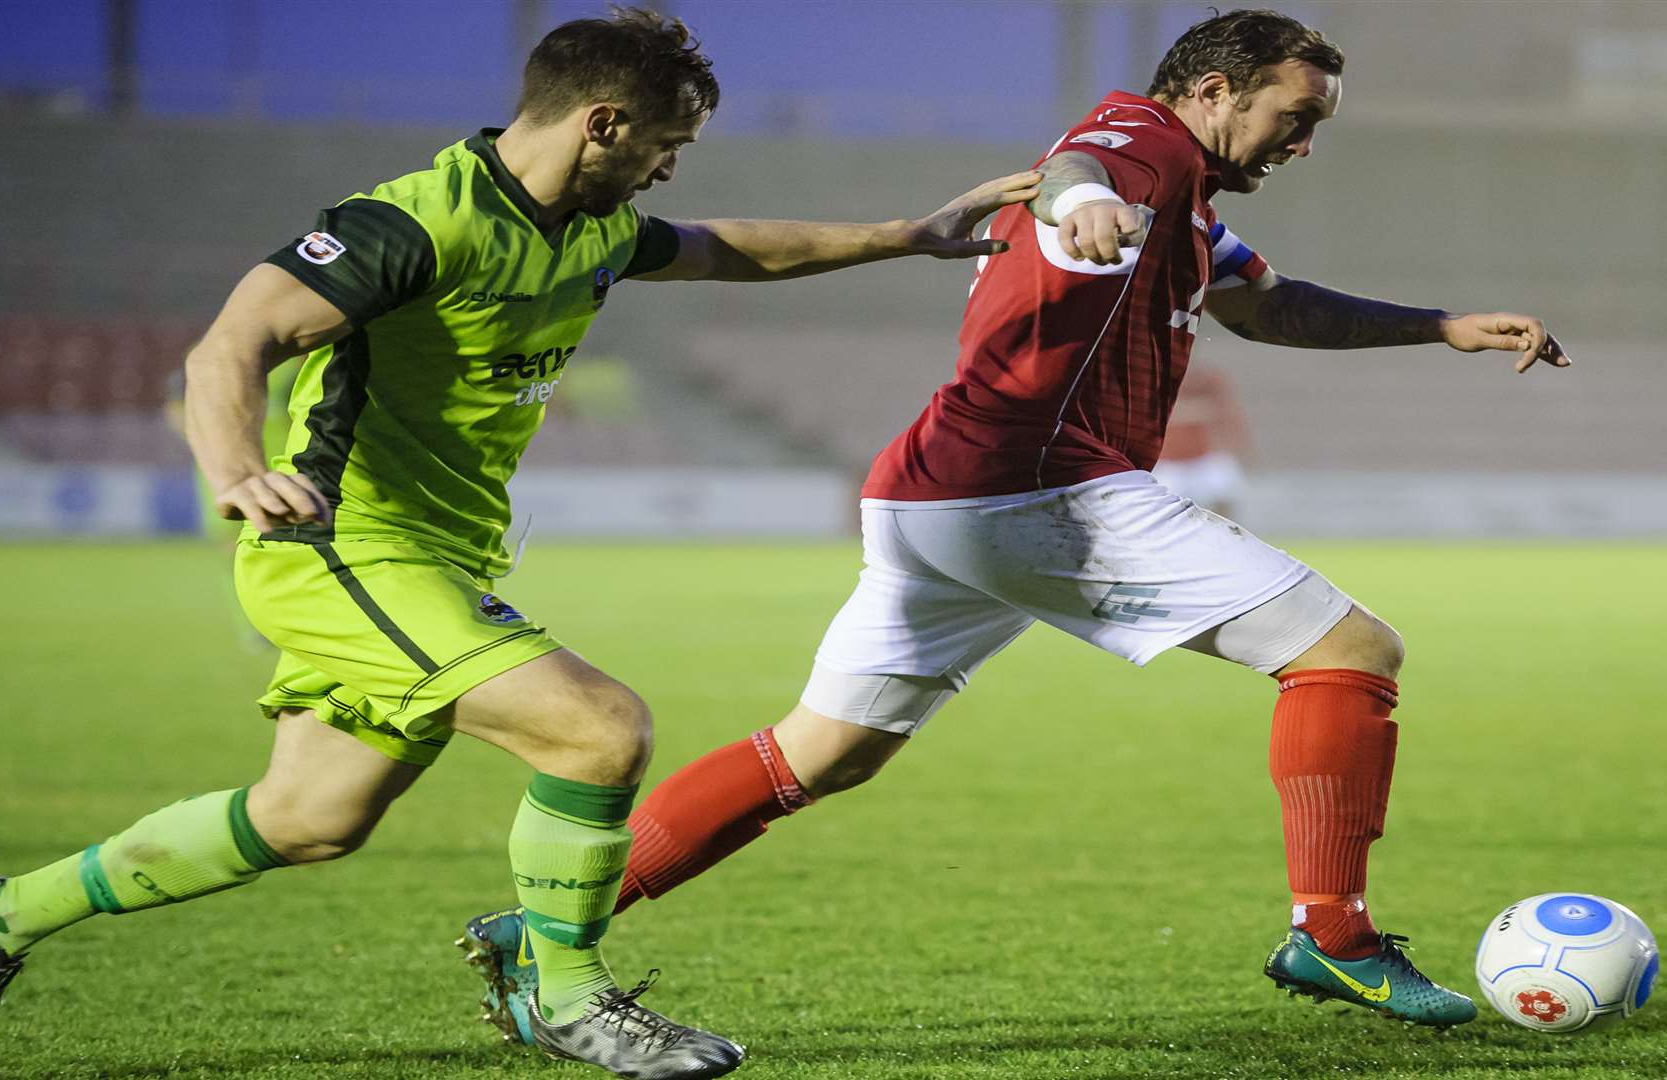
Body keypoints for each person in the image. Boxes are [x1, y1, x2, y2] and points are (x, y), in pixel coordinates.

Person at [0, 10, 1039, 1077]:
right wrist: (232, 468)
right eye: (666, 141)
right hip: (343, 543)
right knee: (598, 731)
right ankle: (564, 995)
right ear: (602, 121)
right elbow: (234, 342)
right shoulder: (412, 221)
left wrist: (908, 235)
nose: (669, 166)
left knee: (308, 819)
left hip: (437, 559)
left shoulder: (590, 226)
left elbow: (724, 249)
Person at [457, 8, 1573, 1044]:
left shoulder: (1189, 207)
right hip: (1032, 486)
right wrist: (1076, 199)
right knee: (1350, 649)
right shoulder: (1143, 144)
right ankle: (1332, 936)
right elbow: (1080, 164)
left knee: (823, 750)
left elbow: (1271, 306)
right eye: (1297, 117)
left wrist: (1440, 326)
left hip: (937, 495)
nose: (1304, 142)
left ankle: (546, 925)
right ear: (1219, 91)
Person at [1152, 362, 1253, 519]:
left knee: (1226, 493)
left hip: (1202, 456)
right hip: (1169, 461)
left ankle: (1223, 533)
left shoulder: (1207, 379)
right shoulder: (1155, 380)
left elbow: (1225, 410)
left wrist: (1234, 441)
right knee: (1160, 507)